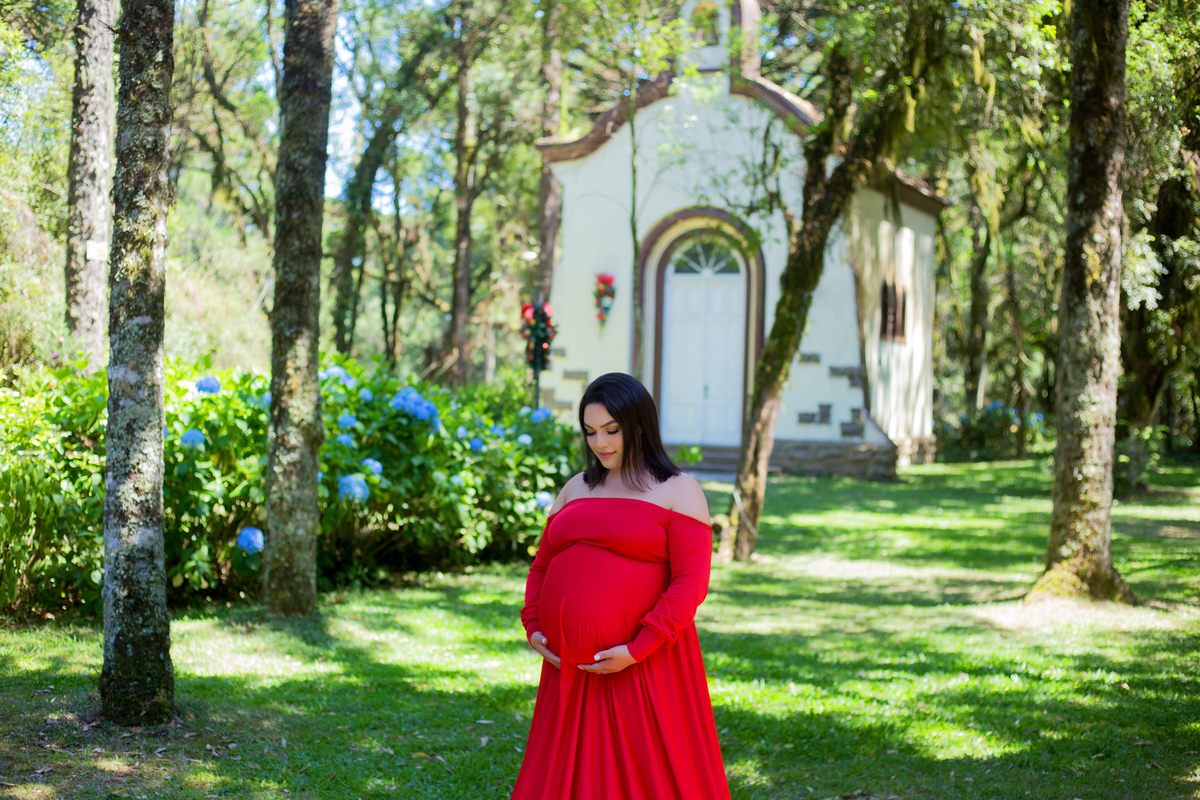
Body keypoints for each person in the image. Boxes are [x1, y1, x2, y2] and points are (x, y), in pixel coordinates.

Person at [510, 372, 731, 800]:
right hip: (569, 667)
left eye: (612, 430)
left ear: (640, 426)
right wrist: (533, 623)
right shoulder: (577, 486)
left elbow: (690, 584)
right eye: (591, 432)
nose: (600, 443)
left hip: (646, 663)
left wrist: (636, 649)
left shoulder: (678, 490)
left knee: (649, 771)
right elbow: (543, 564)